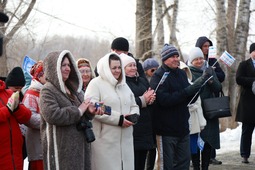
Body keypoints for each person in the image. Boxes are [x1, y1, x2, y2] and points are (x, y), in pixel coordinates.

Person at [39, 50, 104, 170]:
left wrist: (89, 110)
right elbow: (53, 115)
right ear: (54, 67)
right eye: (63, 65)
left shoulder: (73, 89)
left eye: (69, 65)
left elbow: (83, 110)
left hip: (80, 148)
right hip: (61, 149)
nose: (67, 68)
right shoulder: (47, 90)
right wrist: (78, 110)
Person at [150, 44, 208, 169]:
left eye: (177, 56)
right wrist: (187, 91)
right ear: (165, 59)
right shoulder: (158, 76)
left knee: (183, 164)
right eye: (172, 57)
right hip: (165, 131)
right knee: (166, 165)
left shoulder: (182, 74)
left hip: (183, 128)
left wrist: (200, 85)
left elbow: (188, 99)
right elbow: (164, 100)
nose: (176, 59)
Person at [84, 52, 140, 170]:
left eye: (119, 67)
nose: (117, 70)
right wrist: (118, 119)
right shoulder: (96, 84)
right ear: (106, 68)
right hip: (105, 143)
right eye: (113, 68)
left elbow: (134, 105)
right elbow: (94, 106)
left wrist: (134, 116)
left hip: (126, 142)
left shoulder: (124, 85)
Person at [187, 47, 222, 170]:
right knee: (195, 142)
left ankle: (205, 167)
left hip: (210, 111)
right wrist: (202, 78)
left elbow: (218, 88)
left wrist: (211, 79)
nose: (199, 61)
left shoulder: (209, 70)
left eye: (201, 58)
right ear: (191, 61)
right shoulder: (188, 72)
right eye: (196, 59)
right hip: (196, 112)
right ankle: (196, 166)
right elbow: (189, 91)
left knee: (208, 142)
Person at [121, 53, 156, 170]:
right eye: (129, 66)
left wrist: (151, 99)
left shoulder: (142, 80)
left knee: (142, 161)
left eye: (134, 65)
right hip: (134, 129)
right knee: (133, 162)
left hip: (146, 127)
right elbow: (126, 102)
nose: (133, 68)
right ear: (123, 68)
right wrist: (144, 100)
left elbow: (148, 94)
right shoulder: (122, 84)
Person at [195, 36, 225, 165]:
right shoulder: (193, 61)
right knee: (199, 130)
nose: (206, 49)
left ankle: (211, 156)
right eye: (204, 46)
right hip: (197, 102)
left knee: (211, 130)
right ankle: (195, 158)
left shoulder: (212, 60)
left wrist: (212, 73)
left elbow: (222, 76)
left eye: (208, 46)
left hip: (211, 102)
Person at [0, 70, 31, 170]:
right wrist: (8, 109)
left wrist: (17, 108)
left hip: (16, 157)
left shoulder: (9, 93)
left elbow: (27, 116)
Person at [22, 61, 46, 170]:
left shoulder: (46, 92)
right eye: (47, 74)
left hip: (48, 146)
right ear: (39, 76)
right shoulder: (31, 94)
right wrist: (51, 120)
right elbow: (29, 118)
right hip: (38, 148)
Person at [235, 43, 255, 164]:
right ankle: (245, 155)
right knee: (247, 130)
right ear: (251, 52)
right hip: (248, 103)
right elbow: (239, 79)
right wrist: (253, 81)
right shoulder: (244, 65)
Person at [5, 66, 29, 162]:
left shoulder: (21, 98)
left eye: (20, 88)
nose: (18, 91)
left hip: (19, 146)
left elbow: (27, 116)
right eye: (15, 88)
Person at [142, 57, 159, 170]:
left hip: (158, 121)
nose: (155, 73)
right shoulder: (143, 84)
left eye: (157, 70)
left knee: (154, 148)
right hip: (147, 121)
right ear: (146, 72)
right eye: (152, 70)